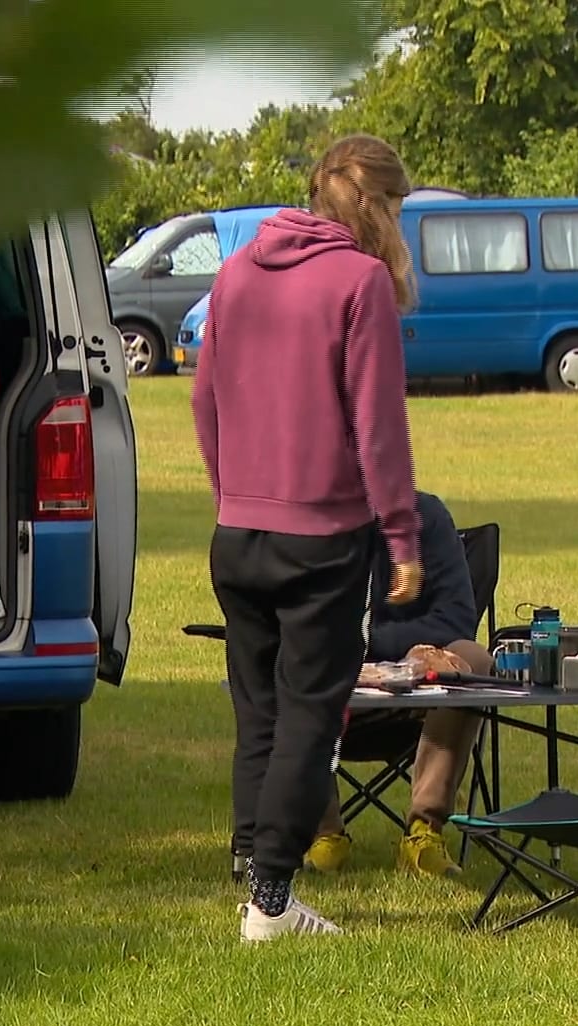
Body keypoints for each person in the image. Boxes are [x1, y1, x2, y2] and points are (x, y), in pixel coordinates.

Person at [192, 133, 424, 942]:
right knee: (308, 718)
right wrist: (403, 535)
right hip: (322, 539)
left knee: (258, 714)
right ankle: (271, 901)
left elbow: (204, 404)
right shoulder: (360, 283)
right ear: (383, 206)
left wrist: (235, 496)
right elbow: (379, 429)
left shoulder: (235, 272)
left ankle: (254, 870)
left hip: (239, 533)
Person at [304, 489, 490, 879]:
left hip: (418, 694)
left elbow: (457, 620)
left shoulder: (427, 517)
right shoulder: (309, 520)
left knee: (475, 658)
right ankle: (323, 833)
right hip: (332, 697)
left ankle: (425, 830)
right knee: (289, 660)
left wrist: (389, 655)